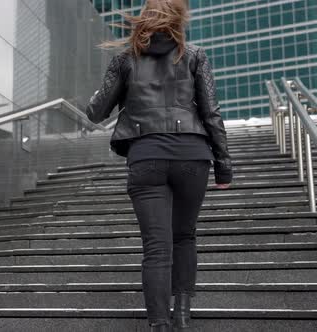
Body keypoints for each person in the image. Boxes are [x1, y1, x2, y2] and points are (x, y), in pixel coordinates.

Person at [85, 0, 233, 331]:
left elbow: (95, 112)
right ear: (178, 19)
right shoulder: (195, 55)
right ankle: (181, 314)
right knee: (184, 236)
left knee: (156, 245)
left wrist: (110, 84)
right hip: (192, 156)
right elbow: (211, 113)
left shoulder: (124, 60)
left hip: (146, 156)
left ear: (143, 21)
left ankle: (159, 324)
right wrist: (224, 166)